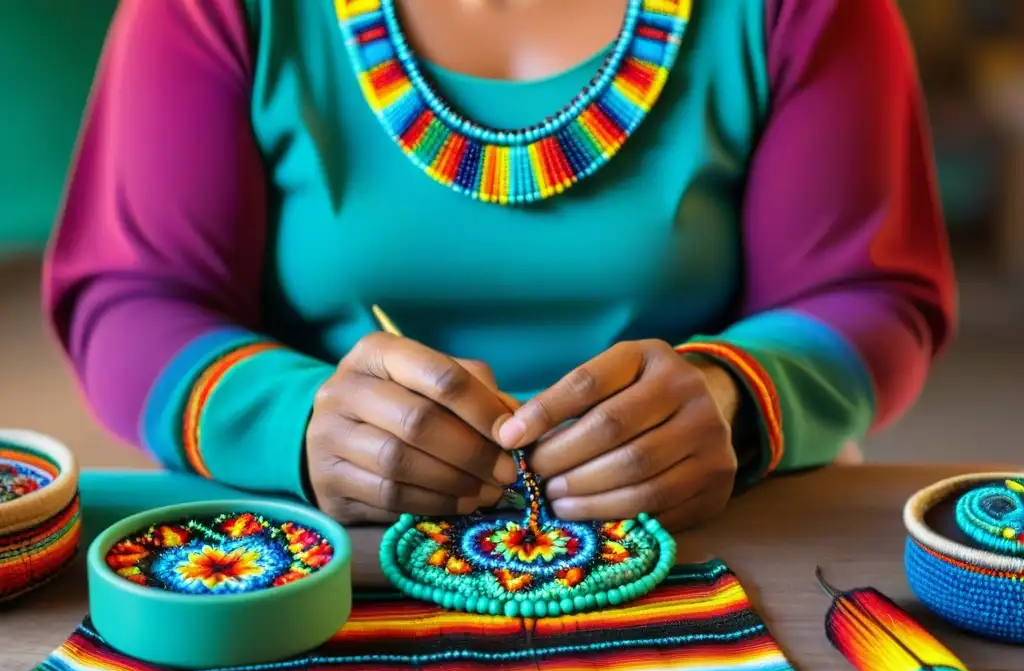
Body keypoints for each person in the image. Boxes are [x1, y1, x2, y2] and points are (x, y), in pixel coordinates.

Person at [44, 0, 956, 531]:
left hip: (714, 535)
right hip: (320, 547)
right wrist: (298, 422)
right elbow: (132, 300)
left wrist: (734, 396)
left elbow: (869, 295)